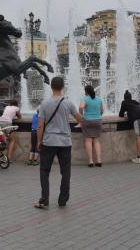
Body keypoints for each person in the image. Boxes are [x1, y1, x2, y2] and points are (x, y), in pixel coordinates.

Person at [34, 77, 83, 209]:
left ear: (51, 87)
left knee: (44, 171)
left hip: (49, 141)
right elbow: (80, 119)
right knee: (65, 171)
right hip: (65, 142)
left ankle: (44, 199)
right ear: (63, 87)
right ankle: (63, 199)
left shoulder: (44, 104)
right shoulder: (68, 103)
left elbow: (40, 125)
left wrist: (39, 141)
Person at [119, 90, 140, 164]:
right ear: (131, 97)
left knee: (139, 137)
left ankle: (139, 158)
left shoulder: (124, 102)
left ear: (124, 97)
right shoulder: (134, 101)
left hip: (137, 118)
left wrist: (127, 113)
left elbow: (121, 114)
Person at [79, 85, 103, 167]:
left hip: (87, 121)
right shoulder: (99, 99)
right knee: (96, 141)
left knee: (88, 141)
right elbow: (102, 110)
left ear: (86, 91)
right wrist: (98, 115)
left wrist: (81, 115)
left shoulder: (85, 99)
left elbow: (81, 107)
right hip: (97, 121)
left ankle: (90, 161)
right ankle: (99, 160)